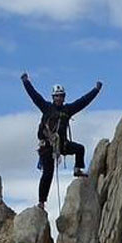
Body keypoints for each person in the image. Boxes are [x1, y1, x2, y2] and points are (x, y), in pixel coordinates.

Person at [22, 72, 102, 206]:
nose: (59, 98)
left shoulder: (68, 109)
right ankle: (41, 202)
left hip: (61, 144)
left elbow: (83, 102)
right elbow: (34, 96)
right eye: (57, 96)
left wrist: (96, 90)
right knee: (48, 174)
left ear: (64, 97)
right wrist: (26, 82)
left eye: (61, 96)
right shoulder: (46, 107)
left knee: (79, 149)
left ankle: (77, 170)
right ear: (53, 97)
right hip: (47, 146)